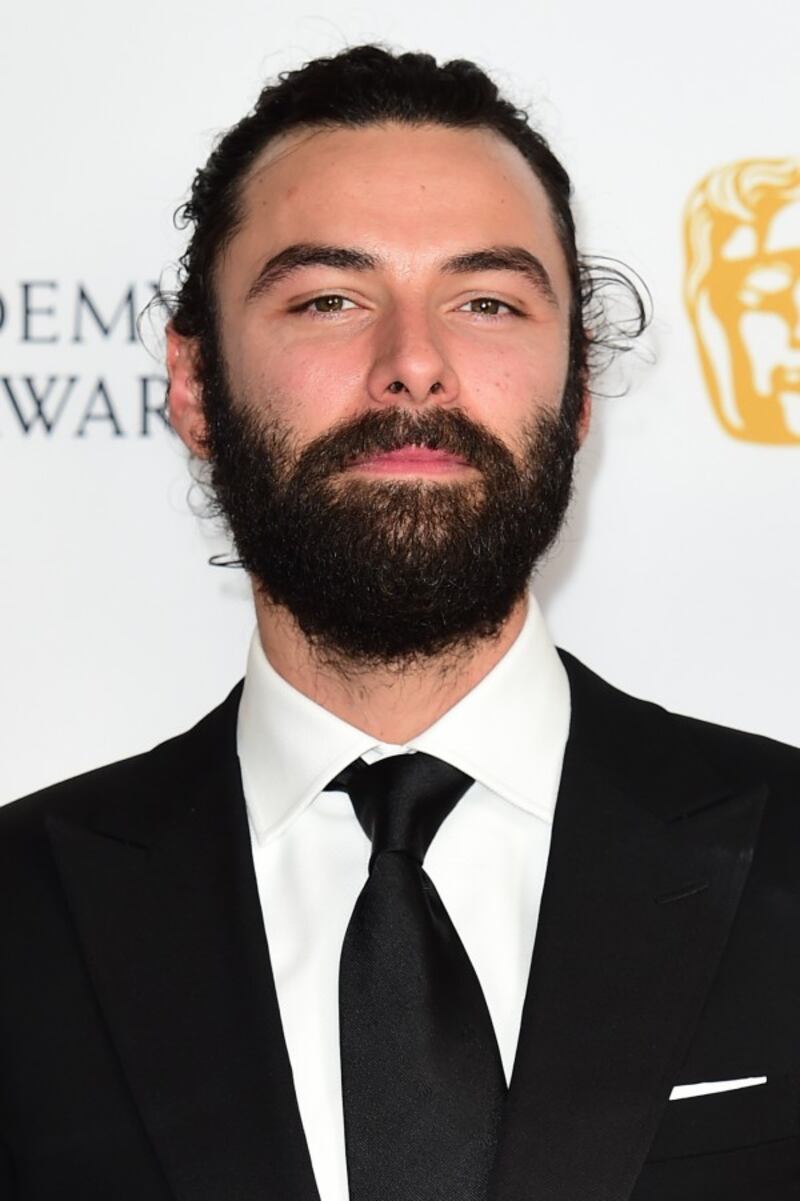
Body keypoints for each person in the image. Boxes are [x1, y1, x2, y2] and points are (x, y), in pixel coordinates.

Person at [0, 45, 797, 1201]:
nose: (412, 364)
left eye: (485, 302)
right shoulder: (20, 923)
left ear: (575, 391)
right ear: (191, 384)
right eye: (329, 299)